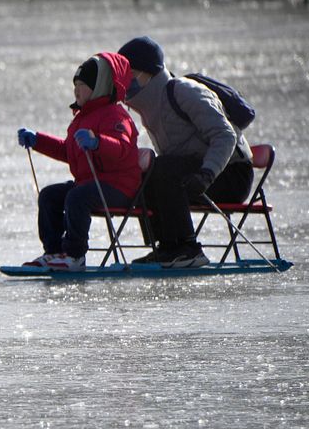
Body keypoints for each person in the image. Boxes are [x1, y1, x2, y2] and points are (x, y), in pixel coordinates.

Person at [116, 36, 254, 268]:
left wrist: (207, 174)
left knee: (163, 169)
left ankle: (188, 248)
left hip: (230, 174)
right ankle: (168, 246)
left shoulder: (183, 91)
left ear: (147, 73)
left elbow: (225, 135)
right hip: (195, 172)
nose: (124, 82)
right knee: (146, 173)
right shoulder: (149, 105)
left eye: (129, 74)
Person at [16, 53, 141, 271]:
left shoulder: (116, 115)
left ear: (99, 87)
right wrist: (37, 141)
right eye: (75, 85)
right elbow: (69, 151)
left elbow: (121, 148)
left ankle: (75, 255)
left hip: (119, 187)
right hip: (91, 183)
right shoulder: (82, 117)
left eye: (82, 85)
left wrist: (97, 142)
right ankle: (54, 252)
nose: (76, 90)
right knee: (50, 196)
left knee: (77, 196)